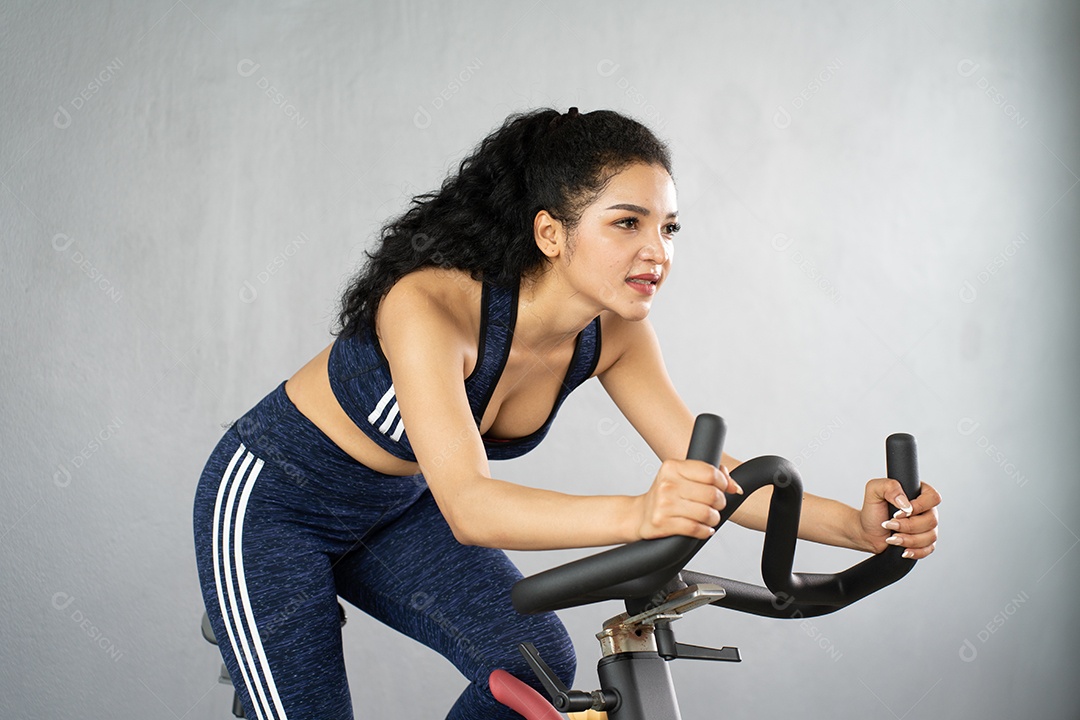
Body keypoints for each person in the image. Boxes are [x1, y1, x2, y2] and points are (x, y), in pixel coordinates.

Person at [193, 106, 941, 720]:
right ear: (551, 232)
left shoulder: (614, 331)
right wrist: (641, 514)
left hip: (392, 509)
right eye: (627, 223)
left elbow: (719, 472)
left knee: (534, 663)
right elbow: (473, 509)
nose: (658, 251)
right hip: (273, 507)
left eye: (669, 227)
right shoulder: (432, 306)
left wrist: (856, 527)